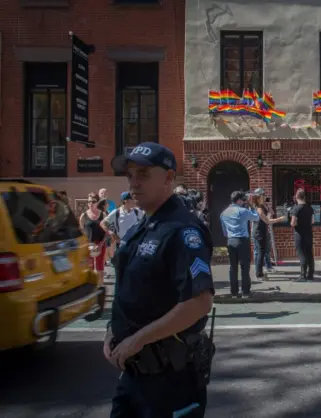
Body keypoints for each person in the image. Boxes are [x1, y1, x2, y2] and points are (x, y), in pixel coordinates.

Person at [105, 142, 215, 418]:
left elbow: (200, 302)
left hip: (169, 380)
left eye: (143, 174)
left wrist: (139, 339)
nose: (133, 182)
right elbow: (130, 290)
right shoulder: (142, 227)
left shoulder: (183, 230)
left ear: (168, 178)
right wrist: (112, 331)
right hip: (133, 374)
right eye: (130, 174)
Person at [220, 191, 260, 298]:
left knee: (233, 267)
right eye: (242, 200)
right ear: (238, 200)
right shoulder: (243, 211)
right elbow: (256, 217)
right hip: (242, 240)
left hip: (231, 240)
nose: (243, 202)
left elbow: (224, 232)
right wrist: (251, 207)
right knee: (244, 267)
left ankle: (234, 292)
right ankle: (245, 292)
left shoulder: (223, 213)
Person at [250, 189, 285, 279]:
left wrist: (268, 208)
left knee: (263, 251)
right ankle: (259, 274)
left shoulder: (263, 206)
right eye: (263, 196)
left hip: (263, 231)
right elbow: (267, 220)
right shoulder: (258, 208)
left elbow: (270, 215)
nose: (265, 197)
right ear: (258, 198)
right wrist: (279, 219)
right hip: (258, 232)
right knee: (260, 253)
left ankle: (261, 272)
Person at [79, 192, 108, 284]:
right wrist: (86, 244)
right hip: (89, 245)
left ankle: (100, 285)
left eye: (93, 201)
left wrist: (101, 244)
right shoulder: (83, 216)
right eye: (89, 201)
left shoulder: (103, 215)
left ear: (97, 202)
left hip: (100, 243)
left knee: (100, 266)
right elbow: (81, 231)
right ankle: (92, 287)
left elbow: (107, 231)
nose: (91, 203)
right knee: (90, 267)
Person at [290, 188, 315, 282]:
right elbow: (313, 221)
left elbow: (292, 223)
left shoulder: (296, 208)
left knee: (301, 254)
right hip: (309, 233)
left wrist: (297, 224)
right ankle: (311, 274)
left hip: (299, 234)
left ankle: (302, 276)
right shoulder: (309, 208)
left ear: (296, 196)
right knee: (309, 254)